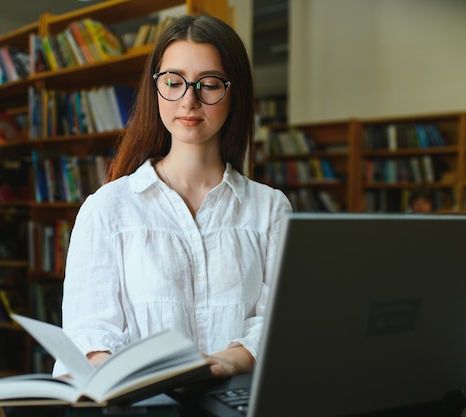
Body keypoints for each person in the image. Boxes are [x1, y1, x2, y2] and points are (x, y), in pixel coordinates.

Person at [52, 14, 292, 379]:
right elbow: (88, 333)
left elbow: (281, 318)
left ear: (234, 92)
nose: (188, 100)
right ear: (156, 87)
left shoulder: (270, 209)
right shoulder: (107, 209)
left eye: (209, 84)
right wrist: (118, 371)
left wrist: (231, 360)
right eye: (173, 82)